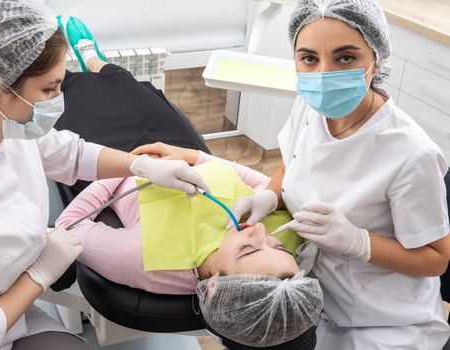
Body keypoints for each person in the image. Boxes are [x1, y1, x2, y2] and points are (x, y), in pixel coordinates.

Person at [0, 1, 210, 349]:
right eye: (49, 89)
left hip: (8, 300)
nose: (58, 99)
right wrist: (39, 273)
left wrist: (141, 166)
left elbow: (69, 154)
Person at [176, 0, 448, 348]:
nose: (323, 74)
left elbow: (436, 259)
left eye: (345, 58)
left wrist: (358, 242)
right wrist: (269, 195)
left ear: (376, 58)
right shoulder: (310, 104)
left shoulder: (411, 154)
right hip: (311, 297)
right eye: (309, 58)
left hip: (388, 319)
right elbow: (292, 163)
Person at [55, 140, 323, 348]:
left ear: (215, 287)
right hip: (179, 150)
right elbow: (269, 185)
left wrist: (135, 163)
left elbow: (70, 224)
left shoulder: (145, 257)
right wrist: (193, 155)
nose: (261, 230)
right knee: (132, 84)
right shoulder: (285, 249)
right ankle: (97, 65)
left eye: (248, 249)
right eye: (278, 246)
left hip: (117, 154)